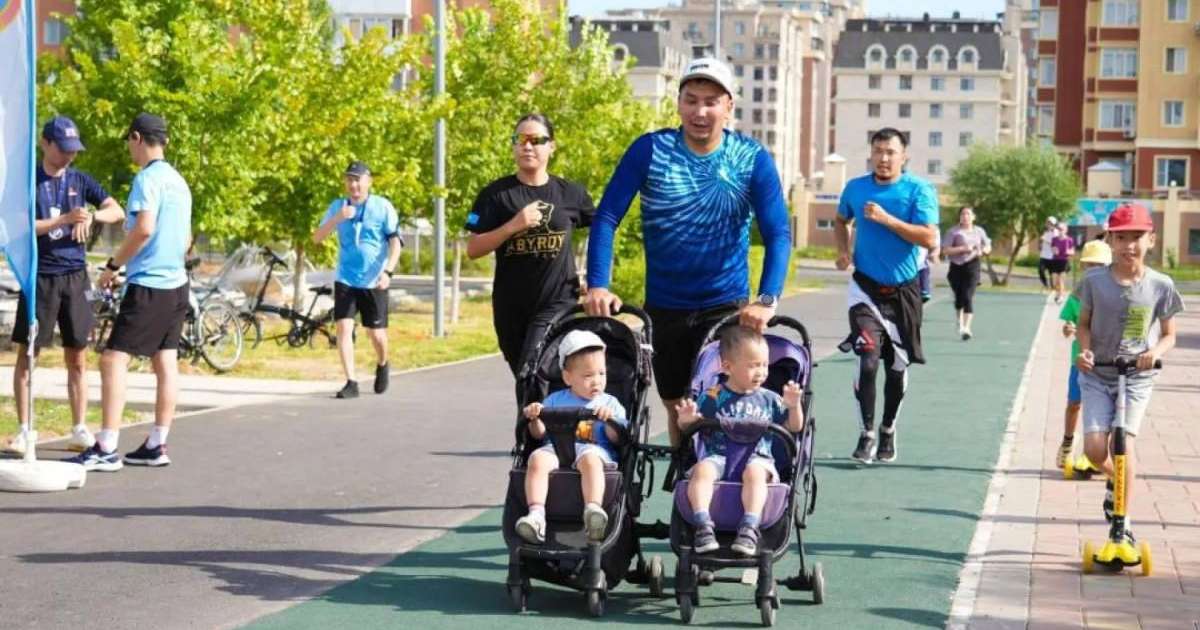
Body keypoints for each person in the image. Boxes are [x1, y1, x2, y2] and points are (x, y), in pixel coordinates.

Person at [583, 57, 791, 450]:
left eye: (711, 101)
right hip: (665, 305)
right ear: (678, 103)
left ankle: (713, 472)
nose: (700, 111)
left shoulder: (750, 158)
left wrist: (766, 299)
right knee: (676, 403)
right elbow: (607, 217)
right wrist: (598, 284)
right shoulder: (650, 150)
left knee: (718, 401)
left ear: (728, 106)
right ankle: (684, 465)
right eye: (691, 100)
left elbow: (778, 233)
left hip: (725, 304)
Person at [67, 113, 191, 471]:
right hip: (176, 285)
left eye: (129, 142)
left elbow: (144, 229)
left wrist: (114, 265)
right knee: (165, 361)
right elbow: (184, 239)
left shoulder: (147, 179)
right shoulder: (179, 181)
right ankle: (156, 443)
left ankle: (106, 446)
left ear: (137, 138)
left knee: (112, 359)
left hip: (150, 285)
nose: (128, 149)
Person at [5, 116, 125, 456]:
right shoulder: (28, 180)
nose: (69, 156)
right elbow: (20, 225)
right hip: (40, 276)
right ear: (45, 144)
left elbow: (116, 210)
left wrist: (92, 216)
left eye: (74, 150)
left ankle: (79, 427)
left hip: (75, 277)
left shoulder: (80, 180)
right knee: (29, 354)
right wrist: (63, 220)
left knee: (78, 355)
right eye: (63, 149)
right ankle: (25, 429)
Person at [1075, 202, 1183, 545]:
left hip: (1136, 378)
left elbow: (1170, 335)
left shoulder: (1160, 285)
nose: (1129, 245)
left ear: (1151, 240)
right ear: (1110, 240)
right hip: (1098, 375)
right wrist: (1085, 351)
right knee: (1095, 450)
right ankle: (1114, 479)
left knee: (1123, 444)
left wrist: (1154, 353)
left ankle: (1123, 524)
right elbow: (1083, 325)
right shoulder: (1093, 281)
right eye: (1121, 238)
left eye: (1136, 237)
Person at [833, 127, 939, 465]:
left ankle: (888, 428)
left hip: (904, 292)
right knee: (867, 359)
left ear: (903, 156)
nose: (883, 158)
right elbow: (840, 220)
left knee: (896, 367)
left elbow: (929, 238)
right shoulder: (856, 188)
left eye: (890, 152)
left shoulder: (919, 190)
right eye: (878, 151)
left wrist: (886, 219)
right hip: (864, 289)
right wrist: (842, 250)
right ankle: (866, 433)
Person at [465, 114, 595, 382]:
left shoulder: (571, 193)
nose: (527, 146)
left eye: (536, 140)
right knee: (527, 383)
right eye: (520, 139)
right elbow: (473, 248)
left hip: (557, 302)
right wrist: (513, 226)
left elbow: (602, 230)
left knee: (533, 371)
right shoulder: (494, 195)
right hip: (511, 308)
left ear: (552, 146)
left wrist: (595, 280)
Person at [675, 326, 804, 556]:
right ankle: (703, 524)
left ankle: (749, 526)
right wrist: (686, 420)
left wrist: (794, 407)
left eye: (764, 365)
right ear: (727, 367)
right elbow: (693, 425)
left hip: (758, 458)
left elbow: (793, 427)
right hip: (718, 456)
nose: (761, 372)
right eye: (753, 365)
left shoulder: (771, 400)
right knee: (702, 471)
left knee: (755, 474)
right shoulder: (713, 396)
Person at [514, 330, 627, 544]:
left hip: (594, 449)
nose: (596, 381)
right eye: (588, 376)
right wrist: (535, 417)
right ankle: (536, 514)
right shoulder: (554, 400)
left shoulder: (610, 403)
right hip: (556, 447)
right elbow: (539, 434)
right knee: (537, 459)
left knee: (590, 461)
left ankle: (593, 510)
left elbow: (617, 439)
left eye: (601, 373)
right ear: (567, 377)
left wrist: (609, 421)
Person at [312, 161, 402, 399]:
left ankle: (383, 363)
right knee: (343, 327)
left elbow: (395, 243)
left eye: (357, 180)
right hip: (346, 278)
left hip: (374, 280)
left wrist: (388, 272)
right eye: (349, 180)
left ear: (368, 182)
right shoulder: (337, 207)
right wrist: (337, 219)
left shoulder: (382, 207)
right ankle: (351, 382)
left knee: (376, 335)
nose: (353, 185)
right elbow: (317, 238)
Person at [1056, 239, 1111, 469]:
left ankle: (1096, 454)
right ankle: (1067, 442)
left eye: (1099, 265)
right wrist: (1068, 328)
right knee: (1074, 403)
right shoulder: (1077, 296)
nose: (1094, 270)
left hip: (1106, 363)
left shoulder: (1113, 296)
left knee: (1101, 411)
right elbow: (1067, 325)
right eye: (1090, 265)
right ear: (1083, 267)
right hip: (1079, 361)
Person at [942, 206, 992, 340]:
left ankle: (967, 328)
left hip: (973, 265)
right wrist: (963, 248)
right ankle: (959, 321)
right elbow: (945, 250)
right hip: (956, 267)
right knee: (959, 298)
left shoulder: (979, 231)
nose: (965, 217)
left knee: (968, 296)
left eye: (968, 214)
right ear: (959, 217)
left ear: (973, 217)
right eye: (963, 214)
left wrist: (984, 250)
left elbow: (987, 245)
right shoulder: (953, 232)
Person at [1049, 224, 1075, 303]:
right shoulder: (1054, 239)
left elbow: (1073, 251)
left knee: (1061, 280)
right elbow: (1052, 248)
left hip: (1064, 261)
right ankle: (1058, 293)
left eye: (1062, 229)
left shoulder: (1069, 240)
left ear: (1066, 230)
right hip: (1055, 261)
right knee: (1054, 281)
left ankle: (1061, 296)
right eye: (1059, 229)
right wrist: (1054, 250)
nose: (1060, 231)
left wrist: (1069, 252)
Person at [1037, 217, 1058, 291]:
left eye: (1050, 223)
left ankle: (1053, 289)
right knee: (1040, 271)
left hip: (1052, 257)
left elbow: (1054, 243)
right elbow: (1042, 241)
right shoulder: (1045, 232)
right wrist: (1040, 245)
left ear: (1054, 224)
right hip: (1043, 256)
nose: (1048, 224)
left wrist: (1044, 239)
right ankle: (1045, 285)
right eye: (1048, 223)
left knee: (1052, 274)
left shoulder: (1055, 232)